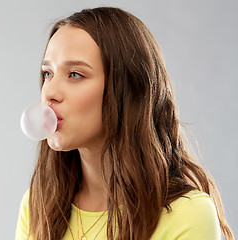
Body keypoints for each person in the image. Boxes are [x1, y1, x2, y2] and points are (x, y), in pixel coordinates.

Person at [15, 7, 234, 240]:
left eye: (75, 74)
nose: (49, 93)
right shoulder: (37, 206)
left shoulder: (187, 214)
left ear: (125, 91)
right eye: (48, 73)